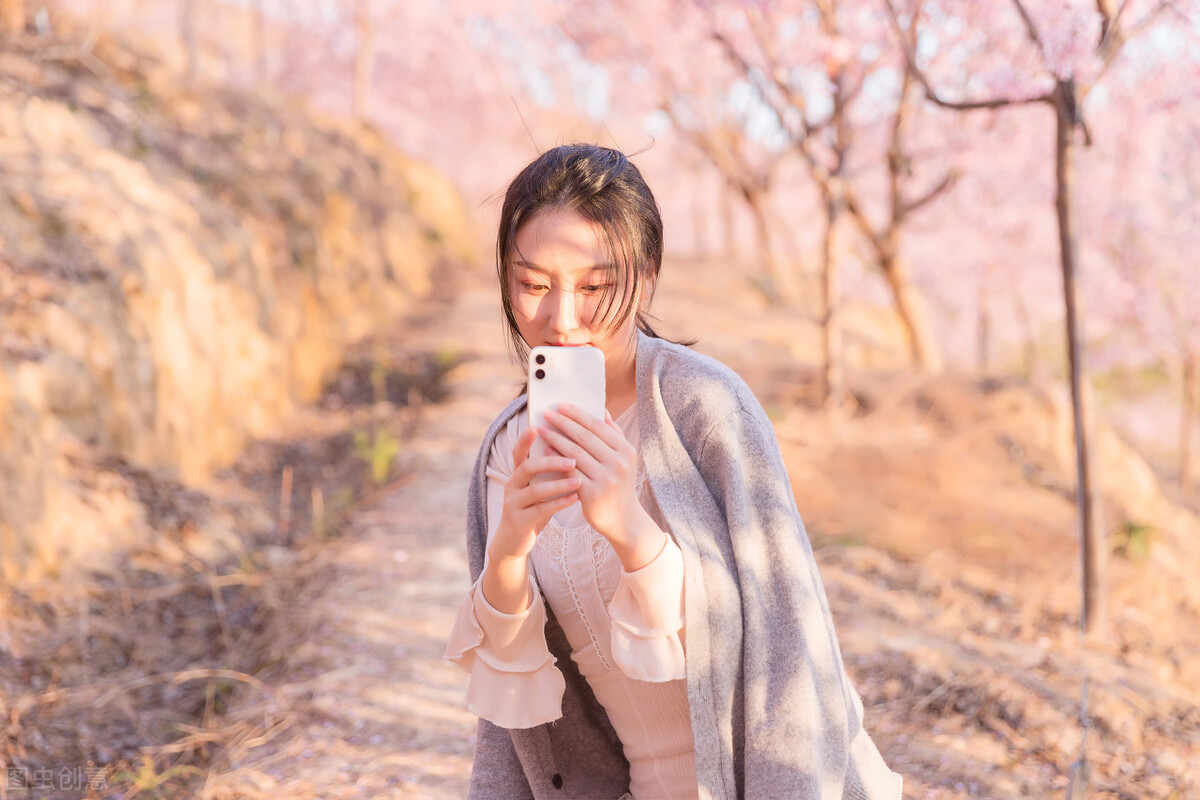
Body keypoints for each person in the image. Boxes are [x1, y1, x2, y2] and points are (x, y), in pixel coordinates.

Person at [445, 143, 901, 800]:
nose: (561, 318)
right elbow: (512, 718)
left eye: (596, 287)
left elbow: (786, 649)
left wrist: (629, 529)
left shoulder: (706, 409)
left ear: (649, 275)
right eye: (533, 285)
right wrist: (510, 547)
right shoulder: (505, 447)